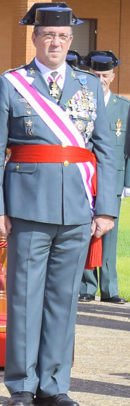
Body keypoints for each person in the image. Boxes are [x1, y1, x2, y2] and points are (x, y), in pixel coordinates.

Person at [0, 2, 117, 406]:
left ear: (70, 41)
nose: (55, 42)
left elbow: (107, 152)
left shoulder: (89, 85)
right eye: (47, 35)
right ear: (35, 39)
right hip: (26, 204)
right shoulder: (12, 83)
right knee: (24, 296)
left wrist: (106, 207)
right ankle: (22, 383)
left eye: (62, 36)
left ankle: (54, 384)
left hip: (78, 205)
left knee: (63, 298)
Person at [78, 50, 127, 304]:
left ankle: (109, 287)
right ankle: (87, 285)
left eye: (105, 75)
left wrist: (127, 182)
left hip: (113, 179)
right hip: (87, 177)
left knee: (109, 232)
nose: (101, 79)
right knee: (86, 229)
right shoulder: (81, 103)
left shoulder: (124, 107)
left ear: (112, 76)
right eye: (96, 75)